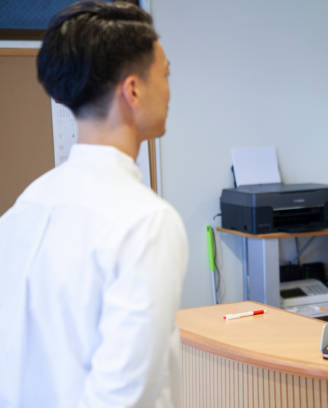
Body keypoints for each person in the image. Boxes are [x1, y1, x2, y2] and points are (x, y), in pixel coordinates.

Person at [0, 1, 187, 407]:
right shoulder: (147, 222)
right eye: (166, 74)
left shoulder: (25, 208)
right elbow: (124, 395)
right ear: (133, 90)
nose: (170, 90)